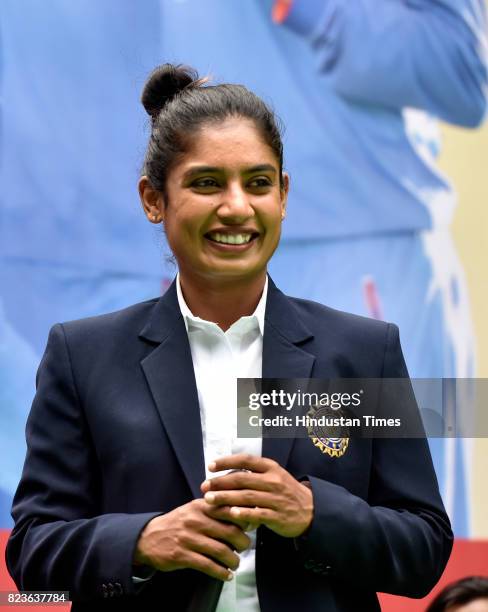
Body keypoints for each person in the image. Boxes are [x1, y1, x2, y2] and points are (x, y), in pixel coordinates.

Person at [6, 64, 453, 612]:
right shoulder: (83, 355)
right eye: (206, 182)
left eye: (259, 183)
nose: (237, 206)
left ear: (283, 196)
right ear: (153, 199)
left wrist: (313, 514)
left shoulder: (365, 351)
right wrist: (142, 544)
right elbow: (31, 553)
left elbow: (425, 548)